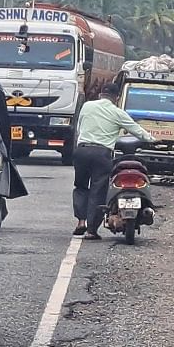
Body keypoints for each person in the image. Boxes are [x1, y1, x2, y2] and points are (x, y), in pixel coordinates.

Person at [71, 81, 156, 239]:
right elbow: (136, 130)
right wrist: (153, 140)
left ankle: (81, 221)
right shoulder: (117, 112)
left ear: (101, 94)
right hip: (101, 153)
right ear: (116, 97)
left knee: (81, 186)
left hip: (82, 150)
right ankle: (91, 230)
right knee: (98, 190)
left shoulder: (87, 106)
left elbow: (79, 127)